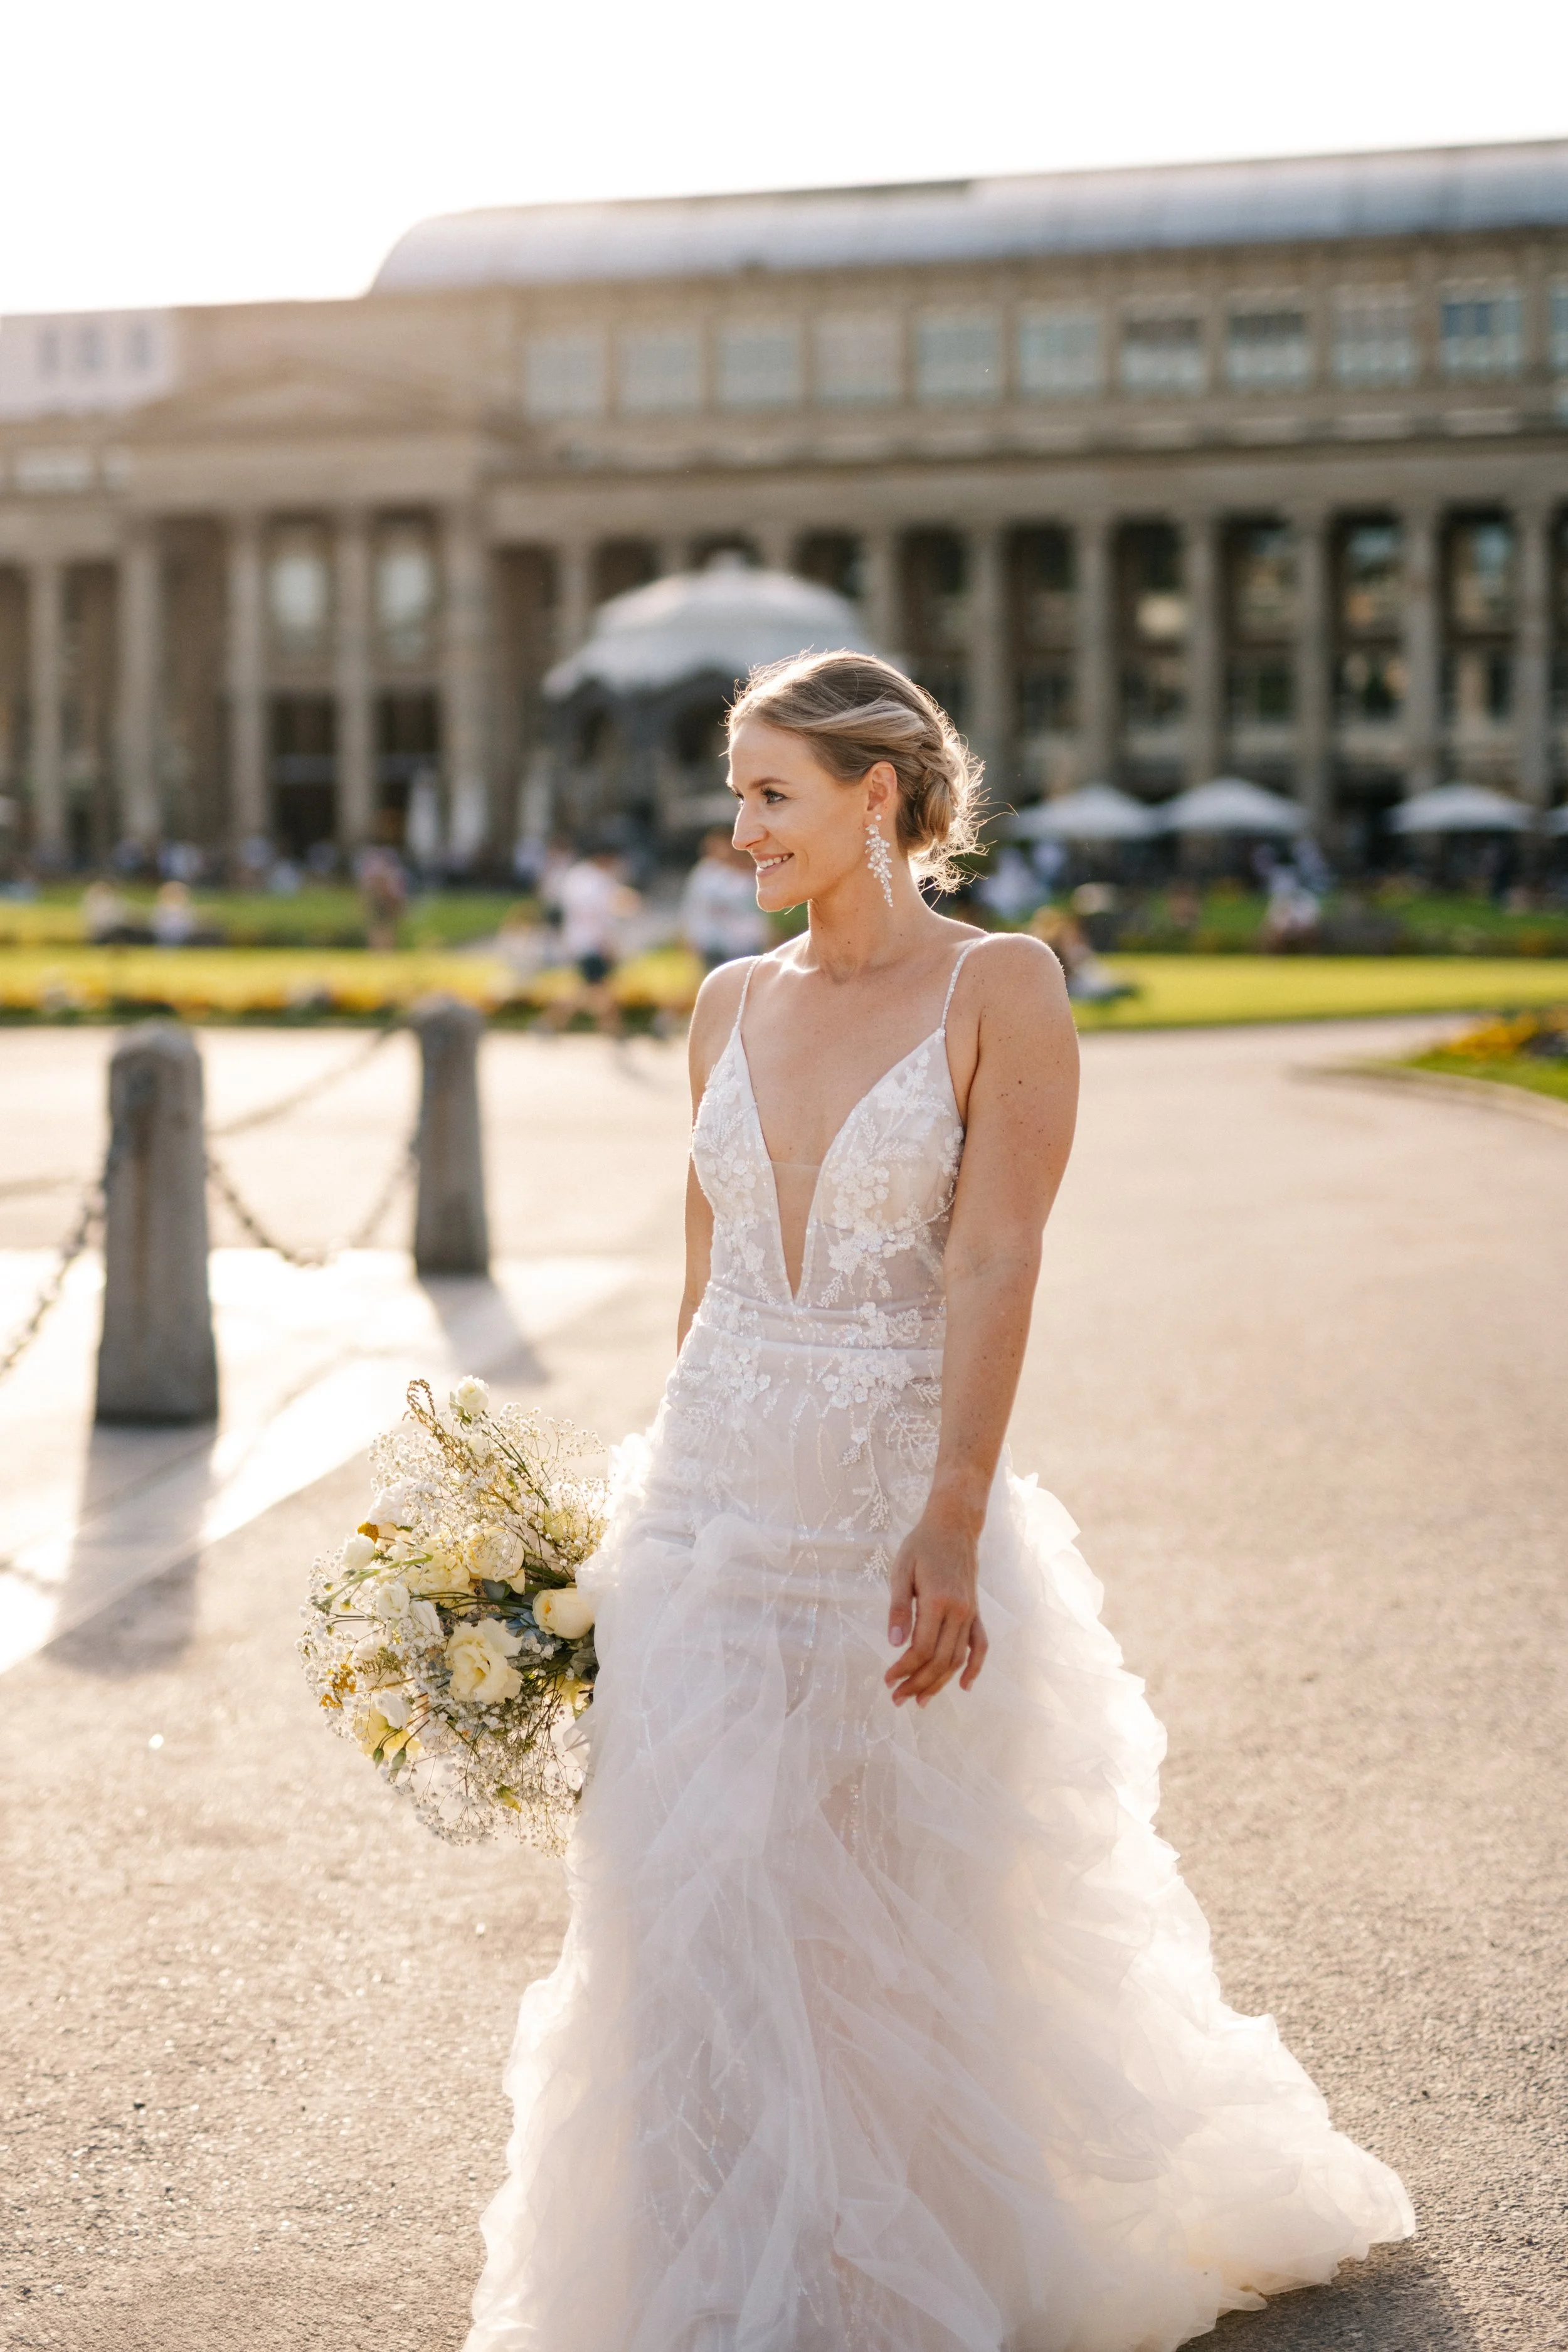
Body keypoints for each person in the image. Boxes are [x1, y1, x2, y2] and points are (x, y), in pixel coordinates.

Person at [467, 652, 1413, 2352]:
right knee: (683, 1900)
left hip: (882, 1511)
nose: (736, 823)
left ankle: (889, 2252)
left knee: (877, 1907)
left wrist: (951, 1514)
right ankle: (709, 2245)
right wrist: (632, 1528)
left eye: (769, 792)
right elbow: (708, 1277)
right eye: (737, 790)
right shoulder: (724, 1004)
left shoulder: (1002, 988)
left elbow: (993, 1255)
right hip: (705, 1502)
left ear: (875, 798)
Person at [541, 842, 638, 1036]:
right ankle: (613, 1030)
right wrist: (608, 943)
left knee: (592, 989)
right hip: (592, 942)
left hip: (578, 940)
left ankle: (551, 1023)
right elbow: (600, 916)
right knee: (597, 989)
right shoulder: (599, 881)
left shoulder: (577, 877)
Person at [679, 825, 770, 969]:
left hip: (747, 945)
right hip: (713, 944)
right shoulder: (707, 873)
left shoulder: (752, 871)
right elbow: (695, 909)